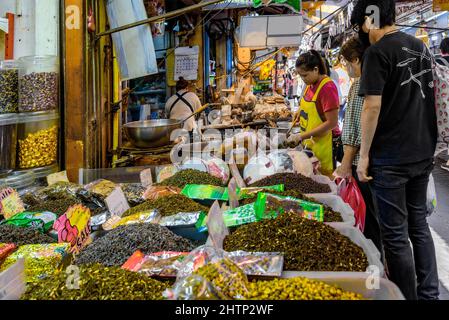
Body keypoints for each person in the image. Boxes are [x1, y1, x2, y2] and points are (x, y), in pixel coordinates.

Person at [351, 0, 439, 300]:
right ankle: (428, 295)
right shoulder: (420, 46)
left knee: (396, 235)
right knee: (419, 226)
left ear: (368, 20)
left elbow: (372, 106)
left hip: (391, 158)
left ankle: (405, 297)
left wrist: (363, 157)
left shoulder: (377, 53)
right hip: (422, 151)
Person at [335, 36, 383, 257]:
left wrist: (345, 164)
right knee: (383, 222)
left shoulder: (361, 85)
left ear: (355, 59)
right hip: (382, 160)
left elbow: (354, 131)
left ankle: (376, 263)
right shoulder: (382, 81)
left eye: (346, 62)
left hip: (363, 165)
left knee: (370, 222)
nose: (346, 68)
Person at [287, 50, 340, 176]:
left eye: (305, 75)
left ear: (316, 69)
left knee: (323, 182)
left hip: (324, 147)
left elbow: (332, 123)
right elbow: (313, 105)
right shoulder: (310, 84)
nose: (303, 79)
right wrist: (300, 111)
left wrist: (301, 136)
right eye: (300, 76)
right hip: (311, 145)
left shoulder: (327, 88)